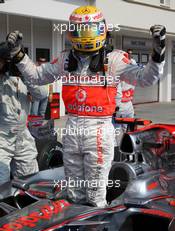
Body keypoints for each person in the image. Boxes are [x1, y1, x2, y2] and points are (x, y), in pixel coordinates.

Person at [5, 6, 166, 207]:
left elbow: (146, 78)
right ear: (71, 32)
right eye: (80, 30)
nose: (85, 36)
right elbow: (37, 76)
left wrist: (158, 53)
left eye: (90, 30)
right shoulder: (65, 59)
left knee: (95, 195)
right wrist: (18, 55)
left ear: (102, 30)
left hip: (98, 131)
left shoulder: (115, 59)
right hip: (72, 128)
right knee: (74, 192)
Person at [0, 42, 48, 185]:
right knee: (1, 182)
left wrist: (24, 73)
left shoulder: (24, 80)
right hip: (2, 136)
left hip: (22, 136)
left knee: (30, 181)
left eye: (12, 61)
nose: (9, 64)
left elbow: (42, 93)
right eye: (4, 61)